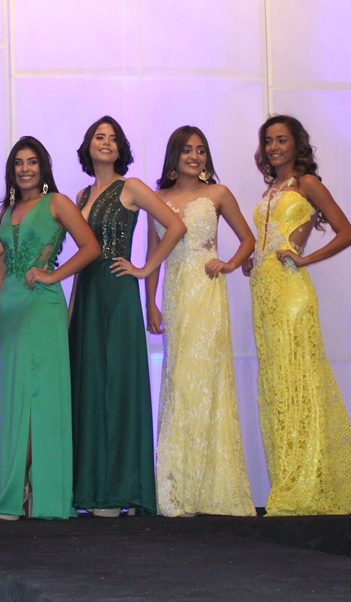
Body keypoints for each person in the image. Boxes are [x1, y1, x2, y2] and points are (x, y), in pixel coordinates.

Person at [244, 115, 351, 516]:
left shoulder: (307, 184)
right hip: (264, 293)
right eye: (268, 141)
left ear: (297, 144)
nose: (274, 147)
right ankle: (290, 477)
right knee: (278, 387)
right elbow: (268, 239)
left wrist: (305, 258)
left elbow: (346, 232)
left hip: (292, 293)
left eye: (281, 140)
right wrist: (253, 259)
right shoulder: (271, 189)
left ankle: (307, 484)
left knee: (300, 381)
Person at [68, 116, 185, 517]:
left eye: (113, 138)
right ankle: (93, 487)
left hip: (117, 293)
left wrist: (144, 267)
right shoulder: (81, 194)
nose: (106, 142)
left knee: (117, 387)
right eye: (99, 137)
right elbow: (81, 254)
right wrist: (71, 311)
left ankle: (121, 490)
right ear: (88, 145)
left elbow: (175, 226)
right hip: (86, 295)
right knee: (89, 388)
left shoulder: (131, 187)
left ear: (120, 148)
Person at [0, 136, 100, 520]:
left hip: (42, 308)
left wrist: (53, 275)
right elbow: (2, 264)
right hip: (12, 312)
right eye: (19, 162)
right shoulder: (8, 211)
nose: (25, 169)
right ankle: (24, 488)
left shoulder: (57, 203)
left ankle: (30, 489)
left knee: (40, 399)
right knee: (18, 401)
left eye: (32, 162)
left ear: (43, 167)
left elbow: (91, 247)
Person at [145, 125, 255, 517]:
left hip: (207, 295)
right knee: (180, 382)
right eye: (187, 150)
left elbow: (248, 239)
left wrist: (229, 263)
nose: (195, 156)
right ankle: (178, 485)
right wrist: (150, 303)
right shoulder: (157, 199)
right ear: (174, 155)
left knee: (207, 382)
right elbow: (154, 255)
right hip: (176, 295)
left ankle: (212, 486)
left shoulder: (218, 194)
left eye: (201, 150)